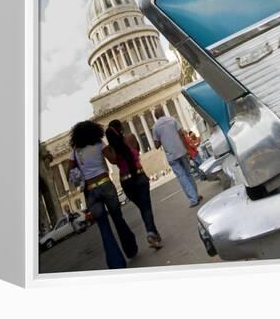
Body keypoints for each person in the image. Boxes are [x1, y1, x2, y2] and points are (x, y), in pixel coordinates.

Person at [68, 120, 138, 269]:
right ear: (94, 131)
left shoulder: (75, 151)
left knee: (104, 228)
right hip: (106, 183)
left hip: (90, 190)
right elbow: (113, 160)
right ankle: (130, 249)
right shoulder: (99, 143)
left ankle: (116, 264)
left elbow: (70, 170)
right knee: (118, 219)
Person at [105, 120, 162, 250]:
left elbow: (113, 161)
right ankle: (151, 232)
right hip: (139, 175)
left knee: (143, 208)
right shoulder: (131, 138)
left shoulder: (112, 149)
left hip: (125, 181)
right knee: (146, 207)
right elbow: (137, 150)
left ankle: (154, 233)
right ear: (121, 129)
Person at [152, 105, 203, 208]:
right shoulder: (172, 120)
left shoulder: (155, 127)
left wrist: (163, 138)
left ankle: (193, 199)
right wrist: (186, 148)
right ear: (163, 113)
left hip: (171, 155)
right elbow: (182, 134)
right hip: (181, 150)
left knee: (182, 177)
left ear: (156, 116)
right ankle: (196, 195)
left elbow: (157, 145)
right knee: (188, 174)